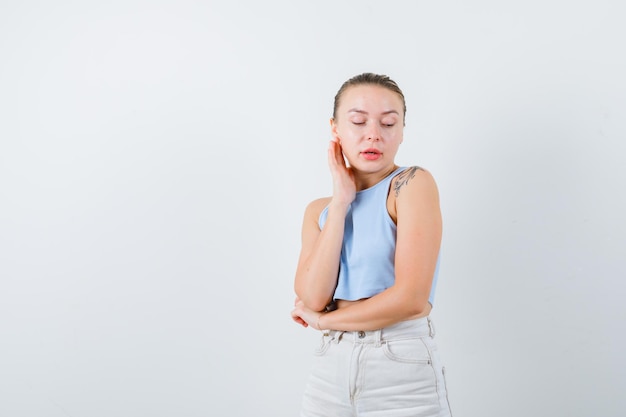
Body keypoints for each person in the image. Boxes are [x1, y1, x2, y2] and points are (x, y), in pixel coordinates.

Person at [291, 72, 453, 417]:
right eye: (358, 121)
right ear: (335, 128)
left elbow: (410, 300)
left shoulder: (411, 184)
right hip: (328, 370)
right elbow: (313, 297)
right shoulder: (318, 211)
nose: (373, 134)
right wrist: (340, 203)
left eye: (389, 123)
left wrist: (325, 321)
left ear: (403, 131)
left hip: (398, 367)